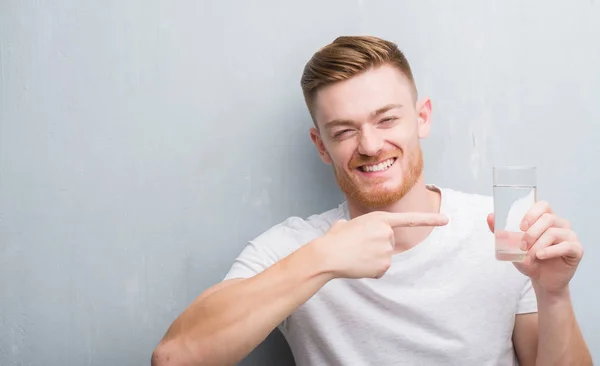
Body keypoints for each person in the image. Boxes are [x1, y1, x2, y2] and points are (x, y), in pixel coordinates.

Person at [151, 36, 592, 366]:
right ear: (321, 146)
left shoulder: (499, 233)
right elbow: (174, 357)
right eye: (344, 131)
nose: (370, 144)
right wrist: (322, 260)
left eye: (387, 119)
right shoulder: (295, 248)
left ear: (421, 118)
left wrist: (553, 295)